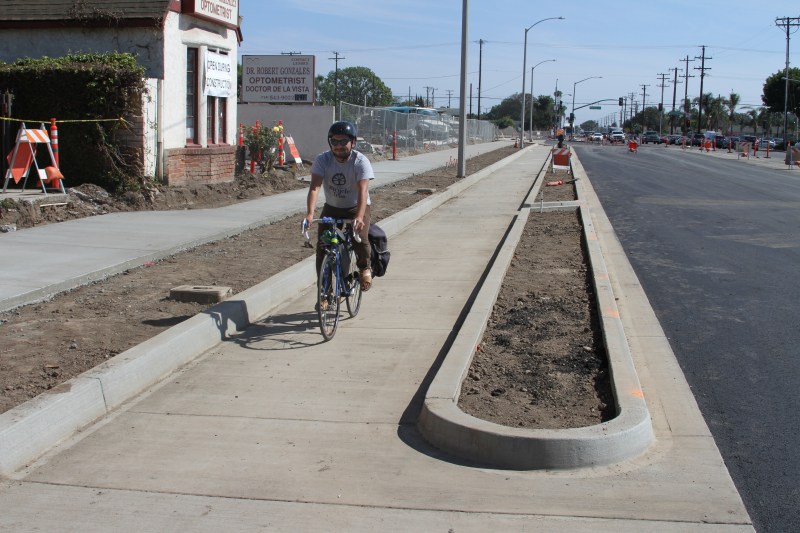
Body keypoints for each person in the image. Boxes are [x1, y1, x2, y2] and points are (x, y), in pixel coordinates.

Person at [305, 120, 374, 290]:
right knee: (323, 246)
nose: (338, 146)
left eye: (343, 141)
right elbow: (315, 187)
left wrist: (359, 216)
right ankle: (325, 291)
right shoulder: (323, 159)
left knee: (360, 237)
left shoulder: (360, 161)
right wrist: (310, 214)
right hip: (333, 207)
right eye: (334, 141)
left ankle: (365, 267)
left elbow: (363, 190)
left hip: (356, 205)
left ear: (353, 142)